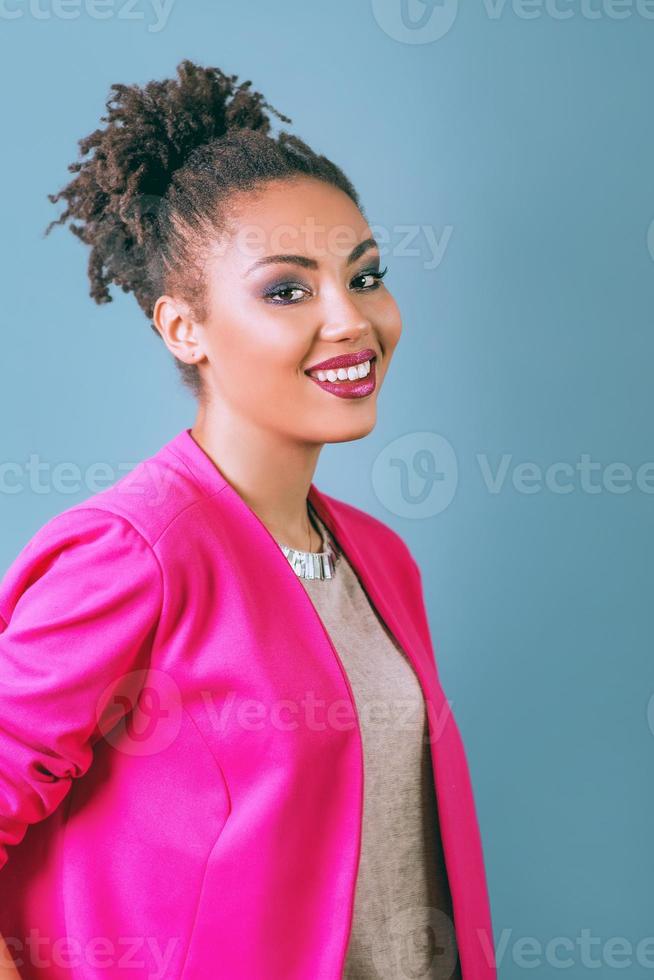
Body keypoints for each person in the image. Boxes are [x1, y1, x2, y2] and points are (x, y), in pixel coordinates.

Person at [0, 60, 495, 979]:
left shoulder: (382, 561)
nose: (351, 320)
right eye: (288, 290)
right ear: (183, 326)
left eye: (367, 275)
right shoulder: (136, 551)